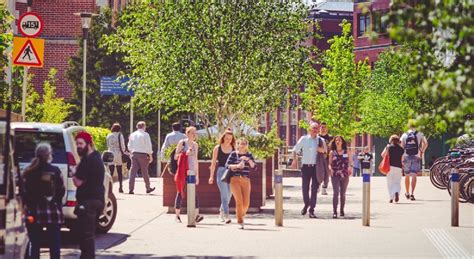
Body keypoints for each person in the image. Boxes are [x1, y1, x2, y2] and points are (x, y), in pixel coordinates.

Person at [23, 143, 65, 259]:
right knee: (54, 243)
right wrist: (56, 203)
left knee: (35, 243)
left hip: (34, 211)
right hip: (53, 211)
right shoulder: (55, 170)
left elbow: (24, 192)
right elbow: (61, 190)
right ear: (49, 155)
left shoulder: (29, 171)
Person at [73, 132, 105, 259]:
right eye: (77, 144)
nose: (78, 146)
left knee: (86, 235)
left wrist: (73, 173)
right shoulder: (97, 157)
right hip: (97, 200)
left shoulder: (87, 160)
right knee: (88, 234)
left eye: (81, 143)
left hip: (88, 202)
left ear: (89, 144)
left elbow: (78, 182)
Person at [291, 122, 327, 218]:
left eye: (317, 128)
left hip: (316, 167)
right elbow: (295, 150)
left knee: (314, 189)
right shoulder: (304, 139)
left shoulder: (321, 140)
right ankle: (307, 204)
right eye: (313, 128)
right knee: (305, 188)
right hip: (306, 167)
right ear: (309, 129)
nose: (315, 130)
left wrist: (320, 149)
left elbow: (325, 152)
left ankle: (311, 210)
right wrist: (294, 160)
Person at [174, 126, 204, 223]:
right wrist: (185, 153)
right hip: (183, 171)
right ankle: (177, 215)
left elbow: (195, 160)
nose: (194, 135)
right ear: (187, 133)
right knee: (180, 191)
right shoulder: (182, 143)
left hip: (191, 172)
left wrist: (197, 175)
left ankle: (196, 215)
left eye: (195, 133)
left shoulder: (195, 145)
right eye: (192, 133)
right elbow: (175, 156)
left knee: (194, 194)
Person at [226, 137, 256, 229]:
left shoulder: (249, 155)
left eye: (244, 144)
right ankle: (240, 221)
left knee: (246, 203)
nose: (242, 145)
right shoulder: (233, 154)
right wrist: (237, 166)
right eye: (241, 143)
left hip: (245, 180)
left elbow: (254, 167)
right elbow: (227, 165)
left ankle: (241, 214)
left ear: (247, 145)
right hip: (234, 179)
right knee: (239, 201)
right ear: (237, 145)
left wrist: (248, 160)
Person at [209, 129, 235, 224]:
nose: (228, 140)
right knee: (224, 195)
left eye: (230, 139)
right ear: (223, 138)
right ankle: (227, 215)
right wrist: (211, 176)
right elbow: (213, 163)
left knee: (229, 195)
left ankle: (221, 211)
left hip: (231, 172)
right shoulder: (217, 148)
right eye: (227, 138)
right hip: (221, 172)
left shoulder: (233, 148)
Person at [400, 121, 428, 201]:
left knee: (407, 176)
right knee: (414, 175)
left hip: (406, 156)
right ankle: (412, 193)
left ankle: (407, 193)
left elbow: (402, 147)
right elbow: (426, 143)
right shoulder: (420, 134)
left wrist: (401, 158)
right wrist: (422, 151)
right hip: (416, 155)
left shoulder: (404, 134)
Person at [128, 121, 155, 194]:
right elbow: (148, 146)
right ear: (144, 126)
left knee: (132, 172)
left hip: (134, 154)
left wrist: (131, 153)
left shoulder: (132, 134)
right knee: (145, 172)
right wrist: (150, 156)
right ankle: (148, 188)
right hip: (143, 155)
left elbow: (129, 146)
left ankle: (131, 189)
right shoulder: (146, 134)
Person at [328, 136, 350, 218]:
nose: (338, 141)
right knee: (336, 193)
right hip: (335, 174)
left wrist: (350, 167)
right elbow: (329, 164)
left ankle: (342, 210)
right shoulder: (332, 152)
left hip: (345, 174)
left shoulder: (347, 151)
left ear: (342, 142)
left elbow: (350, 162)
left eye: (339, 140)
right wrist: (330, 169)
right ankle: (334, 211)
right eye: (336, 140)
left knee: (343, 193)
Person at [381, 135, 404, 203]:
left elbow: (382, 155)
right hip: (398, 167)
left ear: (391, 140)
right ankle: (396, 192)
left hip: (390, 167)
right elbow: (402, 159)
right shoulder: (401, 149)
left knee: (389, 183)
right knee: (397, 182)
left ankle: (391, 197)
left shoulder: (388, 147)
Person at [106, 123, 127, 193]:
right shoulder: (120, 135)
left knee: (110, 172)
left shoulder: (109, 135)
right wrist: (123, 152)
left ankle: (109, 187)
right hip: (118, 154)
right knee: (119, 171)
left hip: (110, 154)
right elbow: (122, 145)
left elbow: (108, 145)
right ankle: (120, 187)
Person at [319, 122, 333, 195]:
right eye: (321, 127)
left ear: (327, 129)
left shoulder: (330, 138)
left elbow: (333, 148)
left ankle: (324, 187)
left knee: (327, 174)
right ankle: (317, 185)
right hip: (318, 159)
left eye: (324, 127)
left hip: (327, 158)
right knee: (318, 173)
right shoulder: (317, 137)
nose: (323, 129)